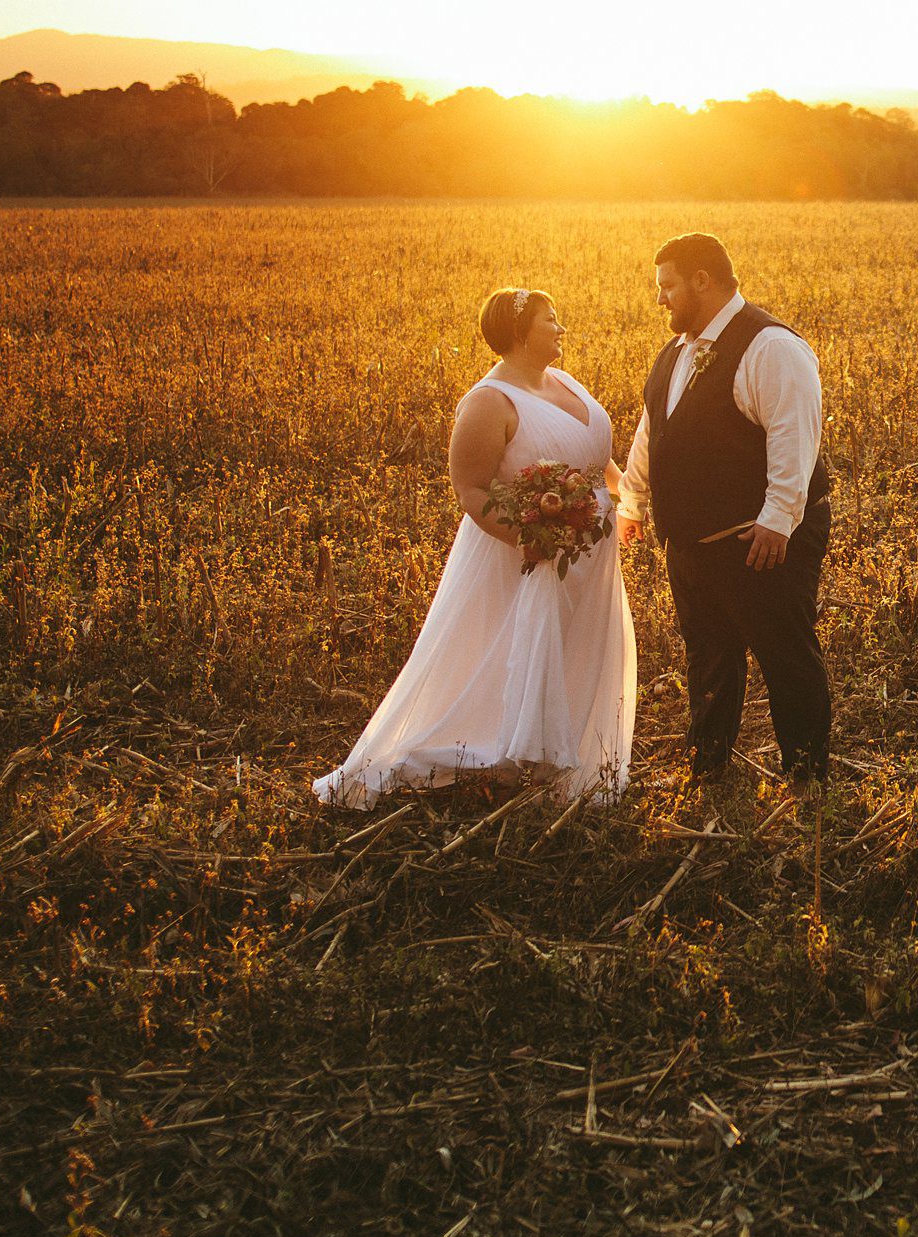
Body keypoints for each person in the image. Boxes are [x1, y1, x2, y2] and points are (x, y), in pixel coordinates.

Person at [314, 288, 634, 807]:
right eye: (550, 319)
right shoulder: (489, 401)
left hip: (591, 553)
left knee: (577, 645)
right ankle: (499, 757)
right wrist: (533, 540)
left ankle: (566, 765)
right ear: (518, 334)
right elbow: (470, 487)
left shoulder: (566, 381)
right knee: (505, 652)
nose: (561, 328)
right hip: (526, 554)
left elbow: (596, 457)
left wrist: (632, 495)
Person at [616, 233, 833, 814]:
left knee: (784, 651)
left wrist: (777, 520)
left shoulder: (770, 347)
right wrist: (632, 502)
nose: (660, 300)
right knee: (708, 652)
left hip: (760, 539)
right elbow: (654, 430)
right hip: (692, 540)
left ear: (703, 281)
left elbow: (795, 435)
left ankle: (806, 774)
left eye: (667, 286)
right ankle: (707, 764)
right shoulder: (676, 351)